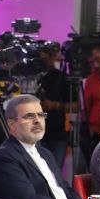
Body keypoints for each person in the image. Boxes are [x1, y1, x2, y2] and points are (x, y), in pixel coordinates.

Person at [0, 94, 83, 199]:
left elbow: (65, 189)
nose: (37, 120)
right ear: (12, 125)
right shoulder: (4, 157)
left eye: (41, 115)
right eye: (29, 116)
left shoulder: (46, 153)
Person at [35, 43, 71, 171]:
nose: (42, 63)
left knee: (54, 172)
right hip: (34, 133)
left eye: (45, 59)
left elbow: (76, 106)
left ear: (51, 57)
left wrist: (55, 105)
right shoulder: (31, 76)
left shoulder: (61, 77)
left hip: (56, 135)